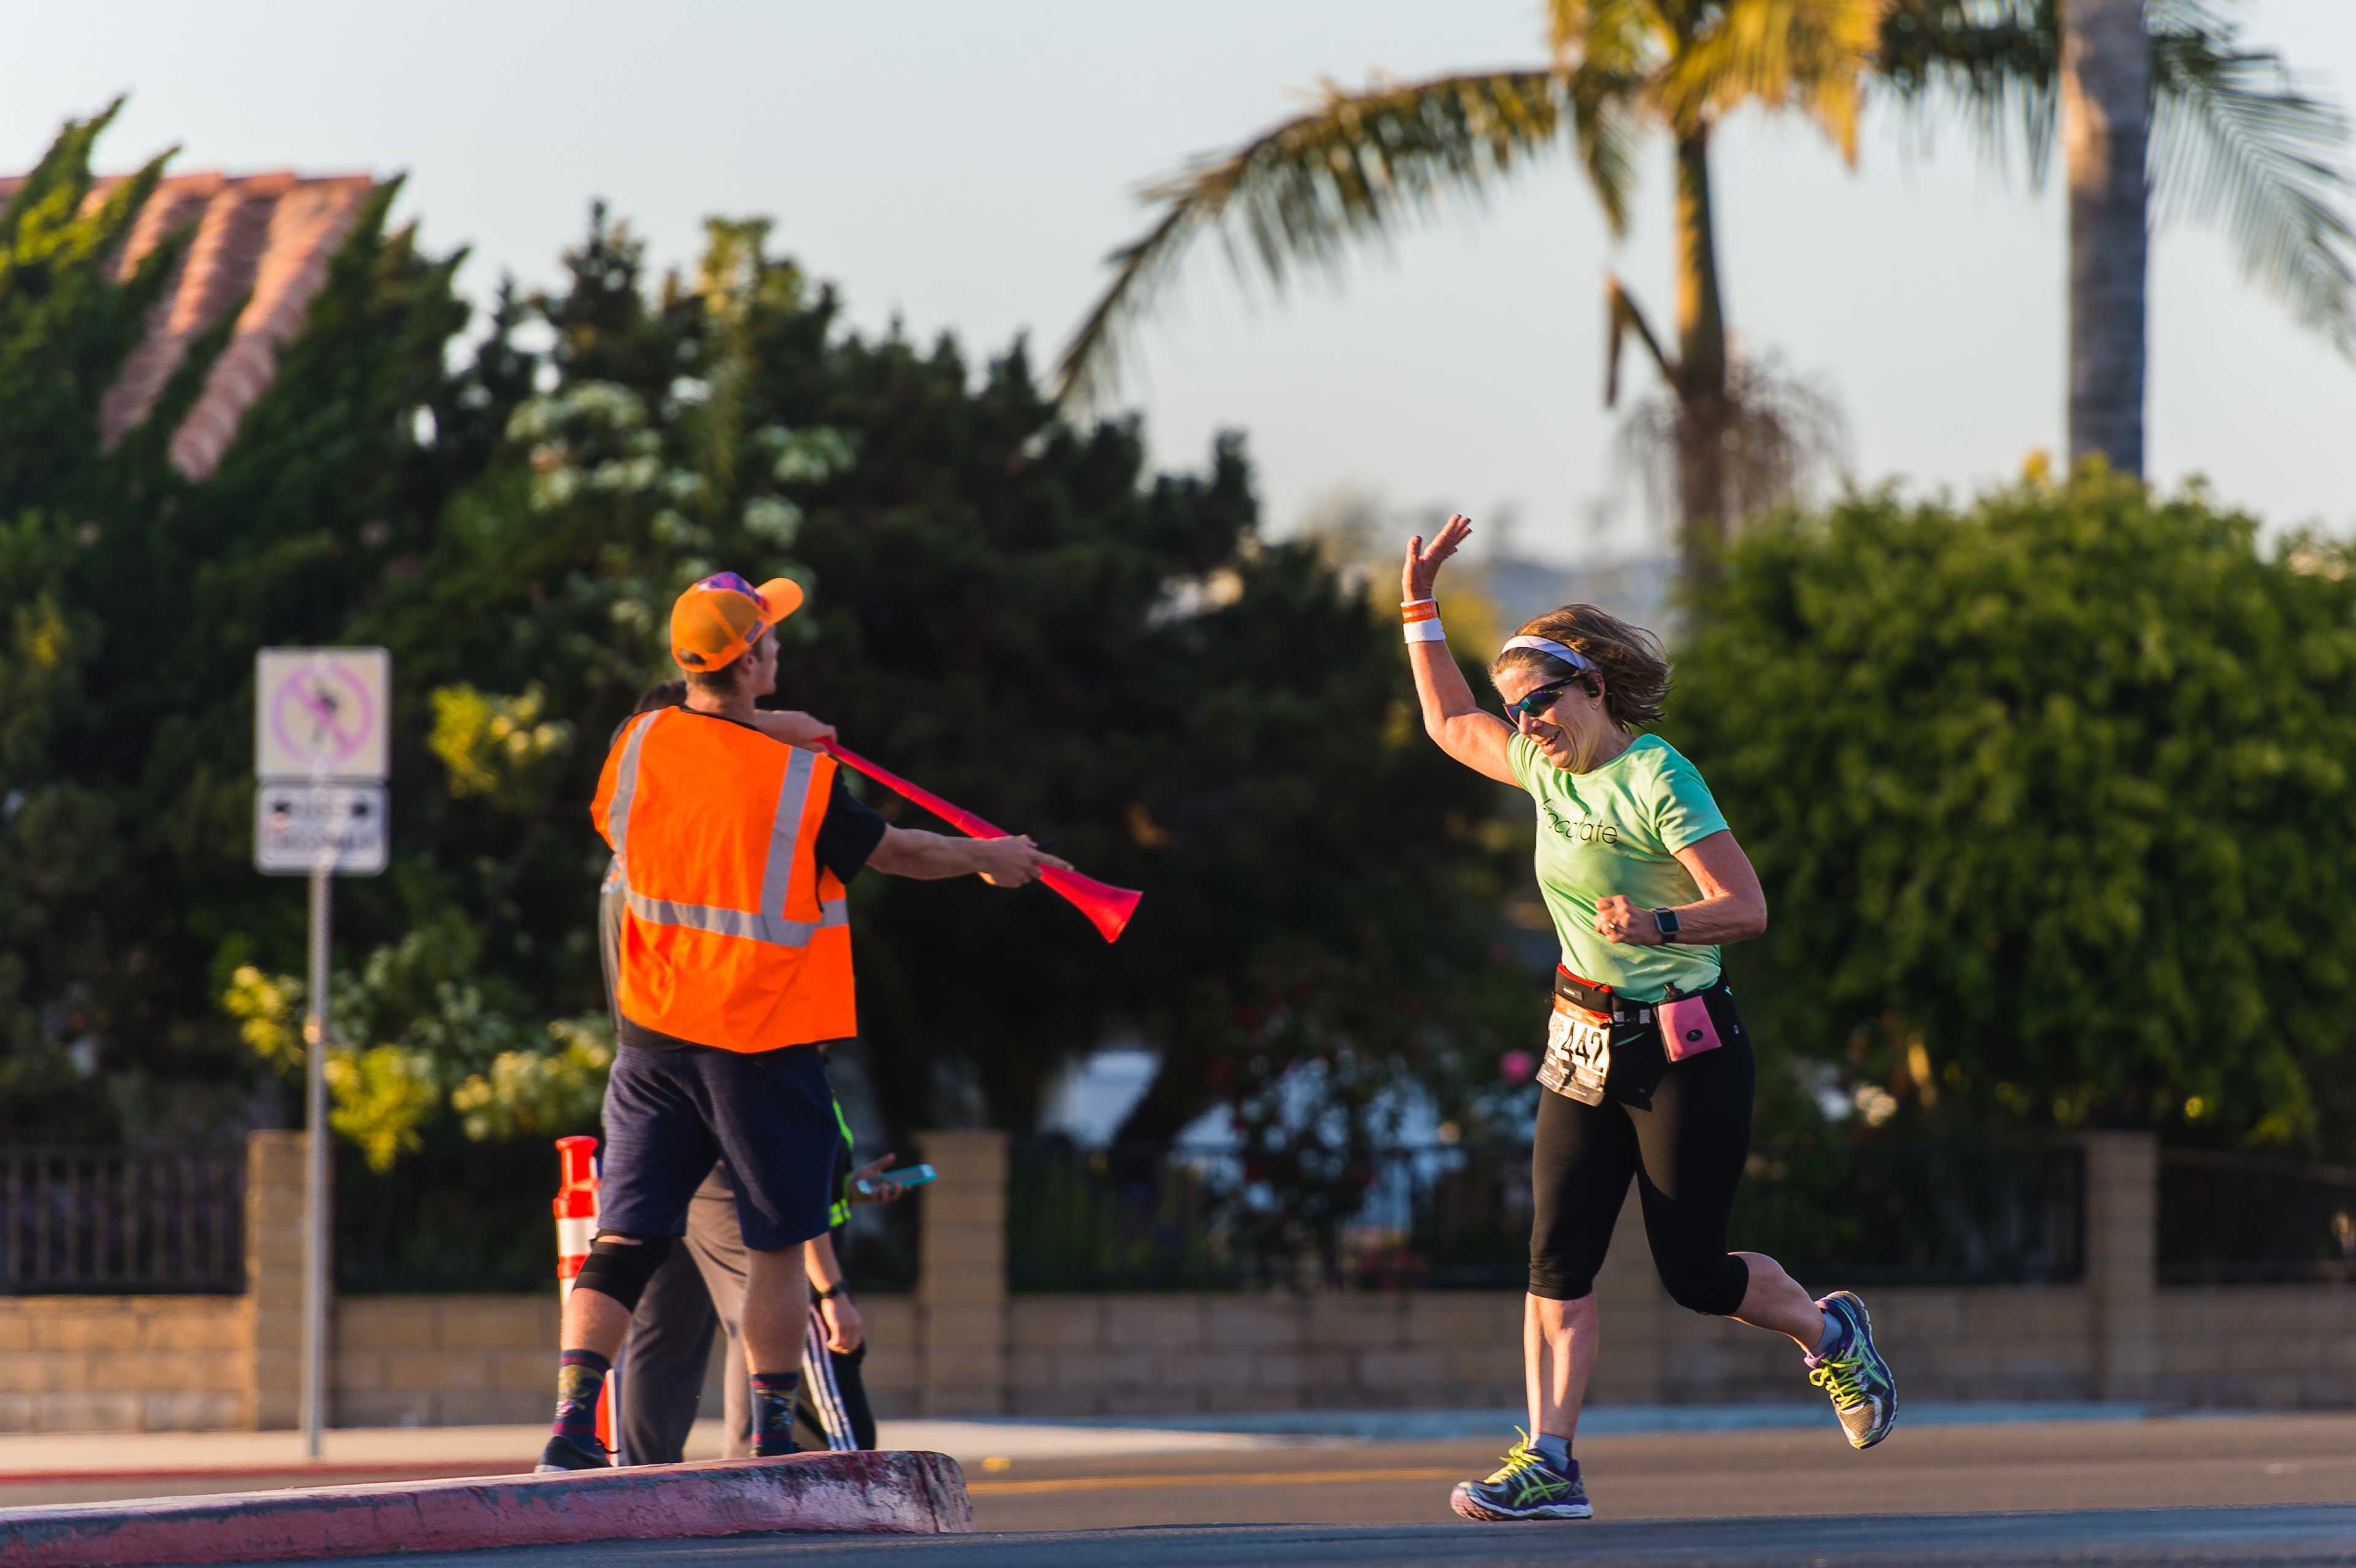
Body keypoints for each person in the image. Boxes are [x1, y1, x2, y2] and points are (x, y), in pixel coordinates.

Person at [1397, 516, 1897, 1524]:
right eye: (1518, 709)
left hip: (1684, 1050)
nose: (1528, 723)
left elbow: (1747, 907)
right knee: (1556, 1262)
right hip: (1582, 1042)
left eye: (1543, 702)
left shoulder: (1656, 776)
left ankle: (1832, 1336)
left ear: (1594, 689)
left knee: (1695, 1273)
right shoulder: (1542, 770)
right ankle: (1550, 1459)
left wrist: (1663, 916)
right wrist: (1420, 607)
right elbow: (1451, 724)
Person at [539, 569, 1068, 1471]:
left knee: (624, 1241)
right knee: (778, 1243)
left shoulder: (639, 744)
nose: (780, 646)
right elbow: (899, 850)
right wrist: (993, 856)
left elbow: (674, 783)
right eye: (770, 638)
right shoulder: (796, 781)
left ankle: (568, 1429)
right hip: (759, 1044)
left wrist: (760, 731)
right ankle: (778, 1439)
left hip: (653, 1042)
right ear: (747, 662)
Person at [593, 681, 901, 1462]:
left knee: (660, 1318)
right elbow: (899, 851)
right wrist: (831, 1284)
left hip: (660, 1081)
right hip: (731, 1082)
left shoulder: (641, 852)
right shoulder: (743, 843)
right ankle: (774, 1458)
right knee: (770, 1291)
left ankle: (629, 1474)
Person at [616, 1096, 903, 1461]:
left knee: (669, 1327)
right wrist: (832, 1292)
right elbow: (795, 1198)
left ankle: (645, 1481)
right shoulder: (791, 1072)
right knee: (760, 1304)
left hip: (675, 1155)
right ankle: (751, 1470)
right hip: (721, 1171)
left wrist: (845, 1188)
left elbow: (803, 1187)